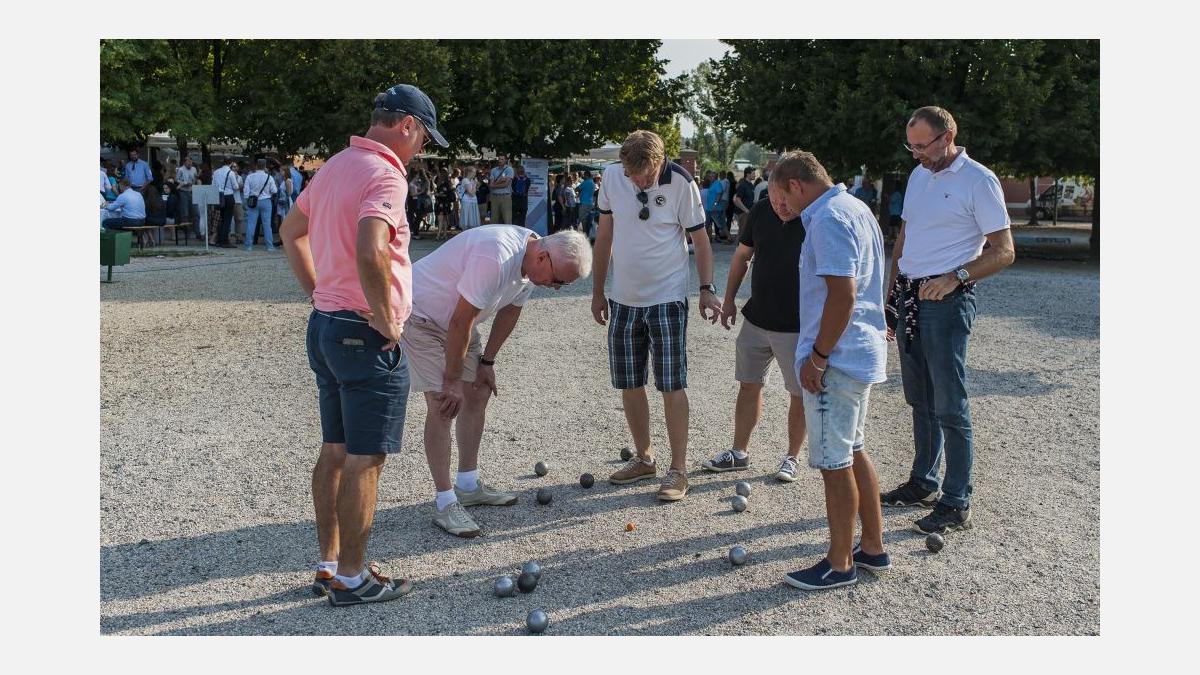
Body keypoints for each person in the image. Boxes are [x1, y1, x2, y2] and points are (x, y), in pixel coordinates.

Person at [279, 82, 448, 607]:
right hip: (363, 333)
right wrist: (388, 320)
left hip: (327, 324)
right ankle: (353, 578)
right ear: (407, 126)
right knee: (365, 457)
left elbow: (291, 231)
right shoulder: (385, 174)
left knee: (334, 449)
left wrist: (319, 292)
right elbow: (372, 246)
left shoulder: (334, 165)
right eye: (424, 137)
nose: (421, 148)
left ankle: (329, 565)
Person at [403, 227, 592, 537]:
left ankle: (467, 485)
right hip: (421, 315)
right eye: (558, 281)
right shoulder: (496, 255)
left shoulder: (532, 264)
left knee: (478, 392)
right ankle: (445, 502)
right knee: (442, 403)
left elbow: (510, 311)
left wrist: (487, 362)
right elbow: (461, 320)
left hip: (457, 321)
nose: (557, 289)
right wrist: (451, 380)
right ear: (543, 257)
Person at [880, 106, 1016, 535]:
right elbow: (905, 238)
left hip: (947, 301)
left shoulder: (979, 180)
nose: (916, 154)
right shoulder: (919, 175)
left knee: (950, 404)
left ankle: (956, 501)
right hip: (909, 297)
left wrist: (955, 277)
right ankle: (923, 482)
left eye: (922, 146)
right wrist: (890, 294)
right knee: (919, 399)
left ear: (948, 136)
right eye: (911, 146)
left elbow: (1004, 251)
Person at [765, 150, 889, 591]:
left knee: (835, 463)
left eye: (781, 197)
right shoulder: (855, 207)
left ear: (796, 185)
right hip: (858, 352)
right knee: (854, 450)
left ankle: (839, 564)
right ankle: (872, 547)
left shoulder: (827, 219)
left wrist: (818, 357)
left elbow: (843, 295)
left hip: (836, 358)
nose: (781, 207)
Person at [591, 130, 718, 502]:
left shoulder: (681, 182)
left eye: (644, 176)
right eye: (631, 175)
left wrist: (707, 288)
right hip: (623, 299)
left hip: (667, 298)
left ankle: (678, 469)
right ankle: (644, 457)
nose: (637, 182)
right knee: (629, 382)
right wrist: (597, 292)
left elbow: (701, 240)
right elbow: (604, 236)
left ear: (660, 162)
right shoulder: (613, 177)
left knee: (671, 384)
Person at [704, 183, 808, 481]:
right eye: (775, 200)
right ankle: (739, 452)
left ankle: (792, 457)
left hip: (797, 325)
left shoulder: (815, 217)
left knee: (799, 393)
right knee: (749, 384)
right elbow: (742, 256)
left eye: (786, 201)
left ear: (799, 190)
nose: (780, 207)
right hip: (757, 318)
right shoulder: (761, 210)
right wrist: (729, 300)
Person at [243, 158, 278, 251]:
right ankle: (269, 246)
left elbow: (246, 191)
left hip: (253, 201)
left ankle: (248, 245)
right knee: (267, 225)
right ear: (265, 166)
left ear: (256, 166)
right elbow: (274, 190)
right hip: (266, 201)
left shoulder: (250, 177)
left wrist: (246, 201)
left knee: (251, 223)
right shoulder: (269, 177)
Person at [211, 158, 240, 247]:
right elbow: (235, 187)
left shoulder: (216, 172)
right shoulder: (230, 173)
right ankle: (224, 241)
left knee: (221, 219)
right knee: (227, 220)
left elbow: (213, 185)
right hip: (228, 196)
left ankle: (219, 240)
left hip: (219, 196)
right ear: (230, 164)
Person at [733, 166, 757, 241]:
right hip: (743, 213)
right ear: (748, 174)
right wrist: (746, 210)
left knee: (747, 233)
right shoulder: (742, 185)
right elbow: (737, 200)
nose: (755, 175)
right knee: (742, 233)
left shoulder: (751, 185)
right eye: (753, 173)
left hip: (749, 213)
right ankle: (738, 247)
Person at [489, 154, 515, 224]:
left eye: (502, 159)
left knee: (507, 219)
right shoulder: (493, 170)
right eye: (499, 159)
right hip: (495, 197)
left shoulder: (509, 169)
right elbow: (491, 184)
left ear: (506, 160)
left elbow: (506, 184)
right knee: (494, 220)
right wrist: (500, 181)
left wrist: (494, 184)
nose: (500, 161)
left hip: (505, 197)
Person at [176, 157, 199, 232]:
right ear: (184, 162)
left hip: (192, 191)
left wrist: (196, 178)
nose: (190, 163)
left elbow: (195, 179)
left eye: (191, 162)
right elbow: (176, 179)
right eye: (188, 162)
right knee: (185, 212)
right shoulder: (180, 169)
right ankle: (186, 232)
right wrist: (184, 183)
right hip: (183, 191)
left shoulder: (194, 169)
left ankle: (197, 232)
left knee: (196, 212)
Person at [703, 169, 725, 241]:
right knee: (708, 224)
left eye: (712, 176)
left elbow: (719, 194)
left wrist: (715, 203)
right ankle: (707, 238)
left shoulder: (717, 183)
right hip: (709, 208)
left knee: (719, 224)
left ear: (715, 177)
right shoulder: (712, 183)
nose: (710, 177)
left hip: (715, 208)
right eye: (710, 176)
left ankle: (727, 236)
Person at [458, 166, 481, 230]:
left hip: (473, 201)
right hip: (467, 202)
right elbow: (471, 193)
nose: (475, 174)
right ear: (469, 172)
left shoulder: (472, 180)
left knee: (473, 219)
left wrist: (476, 185)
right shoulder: (465, 180)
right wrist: (475, 185)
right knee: (467, 220)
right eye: (474, 172)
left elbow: (475, 191)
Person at [433, 167, 453, 239]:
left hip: (442, 202)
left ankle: (439, 234)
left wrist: (437, 194)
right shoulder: (446, 181)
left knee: (441, 218)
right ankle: (444, 234)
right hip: (443, 202)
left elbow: (445, 193)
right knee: (444, 218)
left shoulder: (443, 182)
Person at [577, 170, 596, 234]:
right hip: (590, 203)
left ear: (586, 175)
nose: (583, 176)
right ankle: (587, 232)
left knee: (582, 218)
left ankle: (584, 233)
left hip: (584, 203)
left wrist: (580, 191)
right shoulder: (592, 182)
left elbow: (577, 189)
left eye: (584, 175)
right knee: (588, 219)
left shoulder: (585, 182)